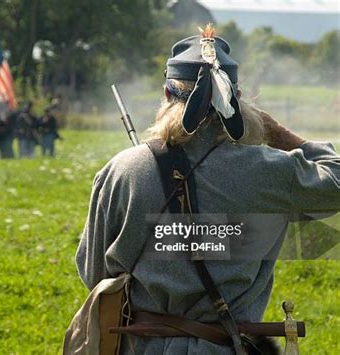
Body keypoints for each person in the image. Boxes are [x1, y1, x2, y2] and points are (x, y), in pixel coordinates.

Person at [71, 25, 340, 354]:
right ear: (236, 103)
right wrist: (280, 135)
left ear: (168, 95)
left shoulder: (124, 170)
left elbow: (93, 272)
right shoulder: (268, 170)